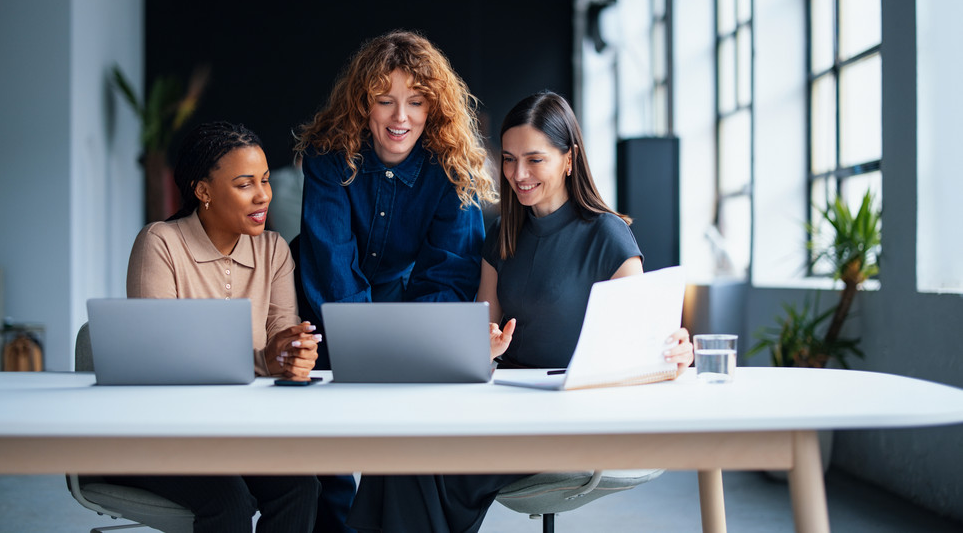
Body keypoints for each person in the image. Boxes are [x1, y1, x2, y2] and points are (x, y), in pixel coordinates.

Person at [347, 91, 694, 533]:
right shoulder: (502, 234)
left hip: (570, 413)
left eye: (535, 160)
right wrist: (485, 348)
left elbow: (640, 347)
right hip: (505, 402)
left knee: (429, 460)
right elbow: (482, 335)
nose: (518, 174)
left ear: (569, 160)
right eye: (509, 160)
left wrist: (672, 352)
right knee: (401, 440)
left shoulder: (607, 236)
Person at [294, 30, 497, 532]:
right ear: (363, 104)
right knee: (324, 443)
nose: (399, 117)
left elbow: (449, 272)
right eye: (384, 100)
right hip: (319, 294)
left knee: (404, 421)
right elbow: (331, 262)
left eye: (415, 102)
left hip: (402, 298)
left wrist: (411, 348)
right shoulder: (328, 155)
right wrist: (366, 349)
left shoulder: (452, 167)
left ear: (434, 108)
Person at [112, 121, 321, 533]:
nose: (263, 195)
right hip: (158, 433)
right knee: (230, 503)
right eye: (245, 184)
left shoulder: (273, 250)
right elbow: (160, 358)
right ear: (203, 191)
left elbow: (282, 338)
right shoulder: (160, 243)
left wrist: (295, 355)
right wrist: (264, 360)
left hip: (237, 431)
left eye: (265, 180)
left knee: (302, 487)